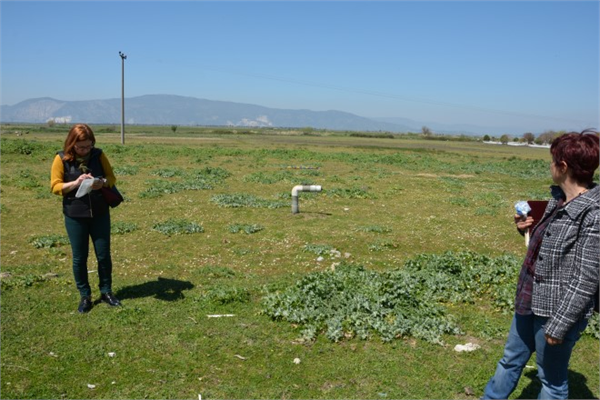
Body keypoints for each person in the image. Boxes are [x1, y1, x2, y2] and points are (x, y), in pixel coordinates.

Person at [482, 130, 599, 399]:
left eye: (553, 160)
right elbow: (546, 247)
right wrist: (525, 228)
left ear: (563, 166)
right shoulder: (558, 200)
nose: (550, 166)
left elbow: (586, 279)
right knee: (510, 360)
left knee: (552, 382)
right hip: (529, 299)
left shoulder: (593, 213)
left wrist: (559, 326)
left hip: (557, 311)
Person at [50, 123, 122, 313]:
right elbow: (55, 187)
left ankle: (106, 292)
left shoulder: (99, 155)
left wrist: (102, 182)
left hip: (100, 213)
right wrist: (75, 183)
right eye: (81, 147)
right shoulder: (61, 159)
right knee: (80, 258)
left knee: (104, 255)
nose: (85, 150)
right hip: (75, 215)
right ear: (71, 143)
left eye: (88, 146)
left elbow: (111, 178)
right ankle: (85, 296)